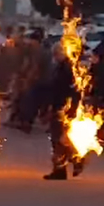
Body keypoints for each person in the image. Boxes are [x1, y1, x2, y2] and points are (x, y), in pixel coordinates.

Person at [43, 43, 83, 180]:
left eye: (56, 54)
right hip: (58, 105)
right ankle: (67, 164)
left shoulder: (67, 68)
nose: (54, 57)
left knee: (58, 139)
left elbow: (75, 90)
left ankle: (68, 164)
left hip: (63, 107)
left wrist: (72, 108)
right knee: (60, 139)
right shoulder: (61, 67)